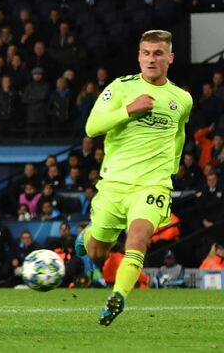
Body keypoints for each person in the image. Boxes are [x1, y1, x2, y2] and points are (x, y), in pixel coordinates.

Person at [77, 30, 192, 326]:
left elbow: (178, 134)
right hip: (114, 184)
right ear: (138, 57)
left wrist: (173, 166)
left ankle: (118, 296)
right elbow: (92, 127)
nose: (151, 59)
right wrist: (129, 110)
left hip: (153, 185)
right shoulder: (121, 88)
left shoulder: (182, 99)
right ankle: (87, 236)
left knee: (138, 237)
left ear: (170, 58)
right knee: (97, 252)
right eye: (146, 53)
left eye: (157, 53)